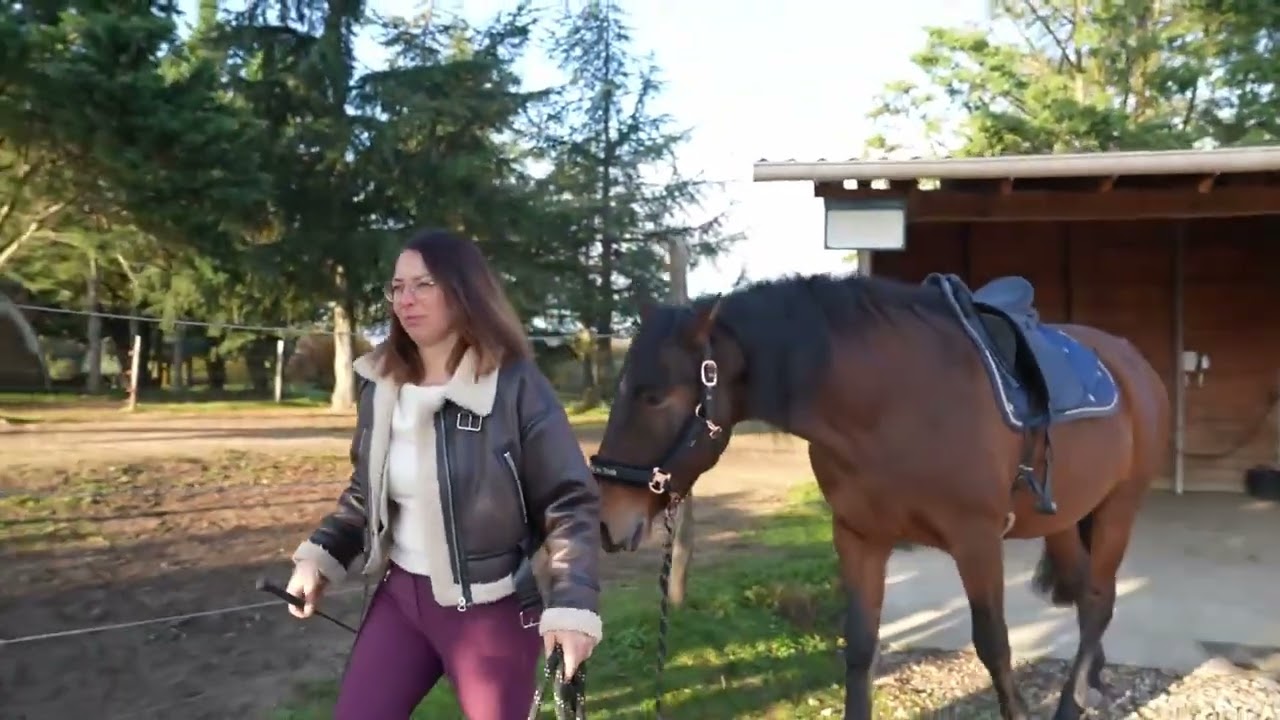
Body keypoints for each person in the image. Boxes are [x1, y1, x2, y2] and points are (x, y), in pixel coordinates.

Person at [284, 228, 603, 720]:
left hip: (492, 611)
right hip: (400, 601)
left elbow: (569, 501)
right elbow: (364, 494)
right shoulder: (380, 386)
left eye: (423, 284)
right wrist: (319, 559)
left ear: (463, 289)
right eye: (397, 287)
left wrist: (573, 605)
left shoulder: (515, 385)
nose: (405, 299)